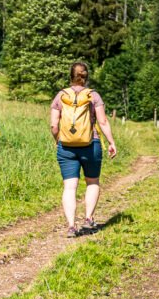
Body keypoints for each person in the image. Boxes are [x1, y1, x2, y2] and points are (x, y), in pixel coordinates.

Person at [49, 62, 118, 237]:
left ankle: (71, 226)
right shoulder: (93, 96)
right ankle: (88, 219)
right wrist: (111, 142)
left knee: (70, 187)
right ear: (86, 77)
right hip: (91, 144)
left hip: (66, 146)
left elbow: (53, 125)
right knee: (92, 182)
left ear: (70, 75)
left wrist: (58, 140)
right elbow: (102, 122)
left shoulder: (61, 95)